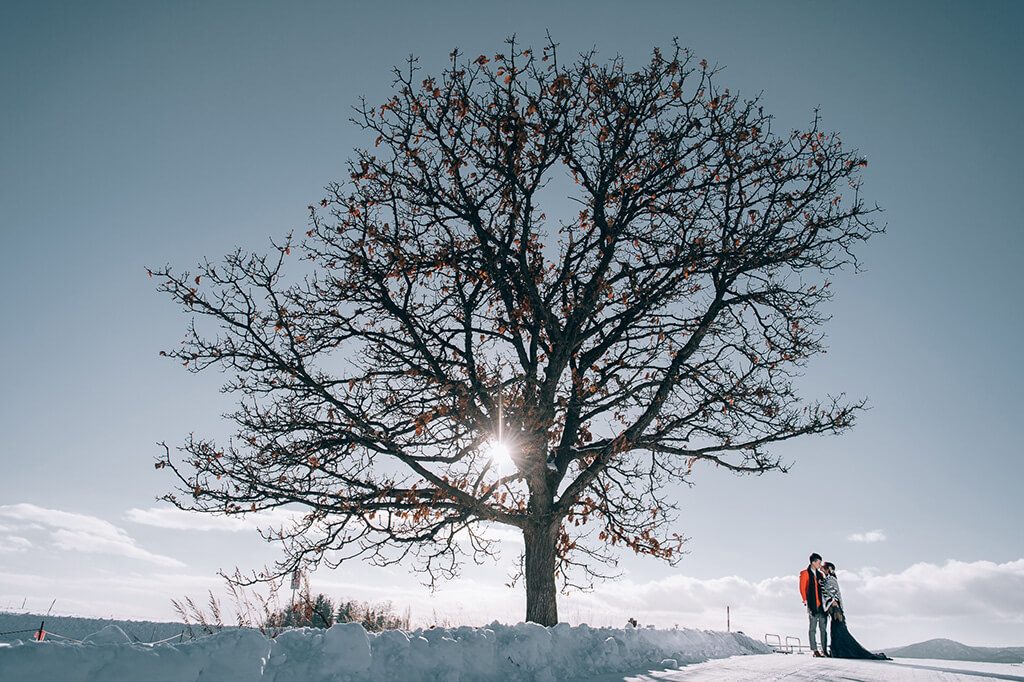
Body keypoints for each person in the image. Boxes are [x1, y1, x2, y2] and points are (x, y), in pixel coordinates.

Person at [821, 562, 891, 660]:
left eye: (823, 568)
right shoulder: (830, 579)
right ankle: (838, 651)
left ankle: (840, 651)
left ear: (828, 569)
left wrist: (832, 602)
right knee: (837, 629)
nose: (821, 569)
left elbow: (832, 593)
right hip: (834, 608)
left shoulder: (831, 579)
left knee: (837, 629)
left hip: (835, 608)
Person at [799, 552, 828, 657]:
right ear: (813, 562)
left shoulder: (821, 575)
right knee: (813, 628)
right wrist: (805, 600)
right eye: (819, 563)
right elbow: (802, 588)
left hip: (822, 605)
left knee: (823, 628)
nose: (820, 565)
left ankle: (824, 649)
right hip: (812, 604)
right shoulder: (805, 573)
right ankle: (815, 650)